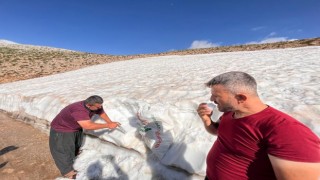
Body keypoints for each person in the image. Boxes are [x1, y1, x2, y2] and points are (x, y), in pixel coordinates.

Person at [197, 71, 320, 180]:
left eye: (216, 96)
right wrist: (206, 119)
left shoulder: (286, 130)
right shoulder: (230, 113)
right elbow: (218, 131)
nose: (211, 99)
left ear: (240, 97)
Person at [49, 95, 120, 179]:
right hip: (62, 130)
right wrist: (108, 125)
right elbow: (88, 126)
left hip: (75, 127)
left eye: (101, 105)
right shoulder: (79, 110)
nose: (100, 107)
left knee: (76, 145)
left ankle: (74, 158)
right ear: (89, 105)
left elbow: (101, 112)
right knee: (63, 151)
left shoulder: (95, 105)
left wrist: (110, 122)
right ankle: (68, 173)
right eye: (98, 106)